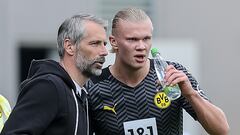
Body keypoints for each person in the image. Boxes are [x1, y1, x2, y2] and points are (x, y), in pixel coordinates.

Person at [86, 7, 229, 135]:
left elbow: (221, 130)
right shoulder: (92, 86)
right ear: (114, 41)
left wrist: (191, 94)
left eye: (146, 38)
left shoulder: (173, 74)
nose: (141, 46)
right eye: (132, 39)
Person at [1, 14, 108, 135]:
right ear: (69, 46)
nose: (104, 52)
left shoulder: (82, 95)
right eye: (95, 43)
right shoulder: (49, 86)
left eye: (104, 44)